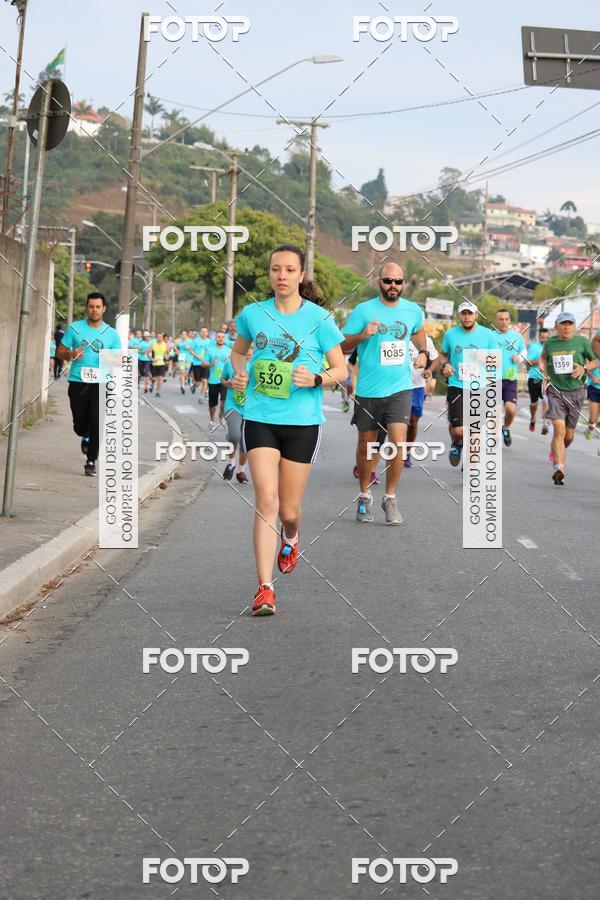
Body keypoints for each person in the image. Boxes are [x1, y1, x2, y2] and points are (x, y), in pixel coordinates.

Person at [230, 243, 347, 616]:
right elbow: (238, 351)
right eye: (275, 269)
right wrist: (239, 371)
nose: (281, 276)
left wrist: (316, 378)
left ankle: (292, 536)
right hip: (261, 417)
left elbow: (342, 370)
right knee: (266, 500)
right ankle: (265, 589)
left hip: (302, 423)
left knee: (289, 511)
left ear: (300, 275)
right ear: (270, 274)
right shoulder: (252, 314)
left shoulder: (319, 319)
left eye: (289, 270)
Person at [342, 262, 429, 524]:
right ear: (379, 282)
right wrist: (362, 335)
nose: (393, 286)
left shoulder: (413, 310)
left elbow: (419, 332)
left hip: (400, 387)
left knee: (397, 443)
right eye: (388, 281)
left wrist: (424, 353)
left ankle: (390, 498)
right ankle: (365, 495)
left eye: (398, 282)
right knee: (366, 446)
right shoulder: (363, 310)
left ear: (404, 284)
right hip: (369, 389)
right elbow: (343, 343)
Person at [56, 292, 121, 476]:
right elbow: (60, 351)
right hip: (78, 382)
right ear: (87, 307)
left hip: (101, 384)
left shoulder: (111, 334)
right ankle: (84, 436)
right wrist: (70, 354)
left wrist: (110, 357)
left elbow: (120, 359)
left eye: (98, 307)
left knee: (97, 423)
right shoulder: (75, 329)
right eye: (91, 306)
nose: (94, 310)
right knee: (79, 425)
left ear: (104, 308)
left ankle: (91, 461)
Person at [437, 301, 500, 467]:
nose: (467, 317)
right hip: (457, 385)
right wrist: (445, 364)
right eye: (463, 313)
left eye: (470, 313)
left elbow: (498, 361)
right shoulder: (451, 334)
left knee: (475, 429)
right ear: (459, 315)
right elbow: (443, 354)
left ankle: (470, 463)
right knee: (458, 430)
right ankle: (457, 443)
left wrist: (484, 358)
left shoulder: (488, 335)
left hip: (480, 387)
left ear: (476, 315)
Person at [540, 311, 598, 485]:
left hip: (577, 392)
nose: (566, 327)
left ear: (574, 326)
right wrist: (544, 370)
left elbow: (596, 361)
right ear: (557, 326)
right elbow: (543, 358)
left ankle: (557, 452)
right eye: (563, 323)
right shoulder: (550, 342)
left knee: (569, 436)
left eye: (570, 324)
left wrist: (584, 368)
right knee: (559, 429)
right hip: (556, 391)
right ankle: (559, 467)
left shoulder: (582, 342)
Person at [220, 346, 252, 484]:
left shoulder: (258, 365)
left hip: (252, 408)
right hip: (233, 405)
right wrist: (227, 383)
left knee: (245, 444)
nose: (249, 351)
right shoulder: (229, 363)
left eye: (251, 348)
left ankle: (241, 471)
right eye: (247, 348)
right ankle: (231, 463)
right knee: (234, 435)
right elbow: (223, 379)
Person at [406, 334, 438, 468]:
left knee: (413, 421)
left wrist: (429, 370)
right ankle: (396, 451)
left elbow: (435, 359)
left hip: (417, 387)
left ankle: (407, 452)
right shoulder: (396, 337)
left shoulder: (425, 340)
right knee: (397, 422)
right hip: (396, 386)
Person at [494, 309, 526, 447]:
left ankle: (506, 428)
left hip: (510, 379)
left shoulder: (517, 337)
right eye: (501, 319)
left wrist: (519, 358)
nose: (504, 322)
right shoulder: (490, 336)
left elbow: (524, 351)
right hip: (492, 379)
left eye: (506, 319)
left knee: (511, 409)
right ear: (497, 321)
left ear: (510, 321)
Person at [205, 331, 231, 427]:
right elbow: (203, 364)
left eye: (222, 337)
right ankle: (212, 420)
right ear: (215, 338)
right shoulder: (210, 350)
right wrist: (210, 364)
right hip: (213, 380)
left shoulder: (229, 351)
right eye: (219, 337)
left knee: (224, 400)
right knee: (212, 403)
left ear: (224, 339)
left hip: (224, 380)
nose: (220, 339)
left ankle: (222, 416)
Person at [525, 327, 550, 433]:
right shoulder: (534, 347)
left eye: (546, 338)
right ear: (539, 337)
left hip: (546, 379)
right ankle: (533, 418)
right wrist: (539, 361)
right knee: (534, 404)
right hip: (534, 378)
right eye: (542, 337)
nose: (544, 339)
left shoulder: (551, 348)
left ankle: (544, 424)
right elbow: (527, 363)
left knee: (546, 400)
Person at [189, 326, 212, 402]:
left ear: (207, 333)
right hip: (197, 363)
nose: (204, 333)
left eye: (206, 332)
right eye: (203, 332)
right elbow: (191, 351)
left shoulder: (210, 341)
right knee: (197, 382)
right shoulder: (195, 341)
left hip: (205, 364)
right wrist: (197, 355)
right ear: (200, 333)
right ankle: (194, 386)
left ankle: (201, 397)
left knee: (205, 381)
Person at [584, 355, 600, 439]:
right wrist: (593, 378)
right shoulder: (594, 353)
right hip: (594, 388)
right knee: (593, 419)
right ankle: (590, 428)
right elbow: (586, 368)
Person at [150, 332, 168, 397]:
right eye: (158, 337)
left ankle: (158, 391)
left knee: (160, 378)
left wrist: (167, 356)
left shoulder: (165, 344)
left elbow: (167, 352)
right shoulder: (153, 344)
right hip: (155, 364)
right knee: (154, 378)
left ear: (162, 338)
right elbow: (148, 353)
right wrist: (152, 359)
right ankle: (152, 383)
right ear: (156, 338)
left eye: (161, 337)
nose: (159, 338)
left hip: (162, 363)